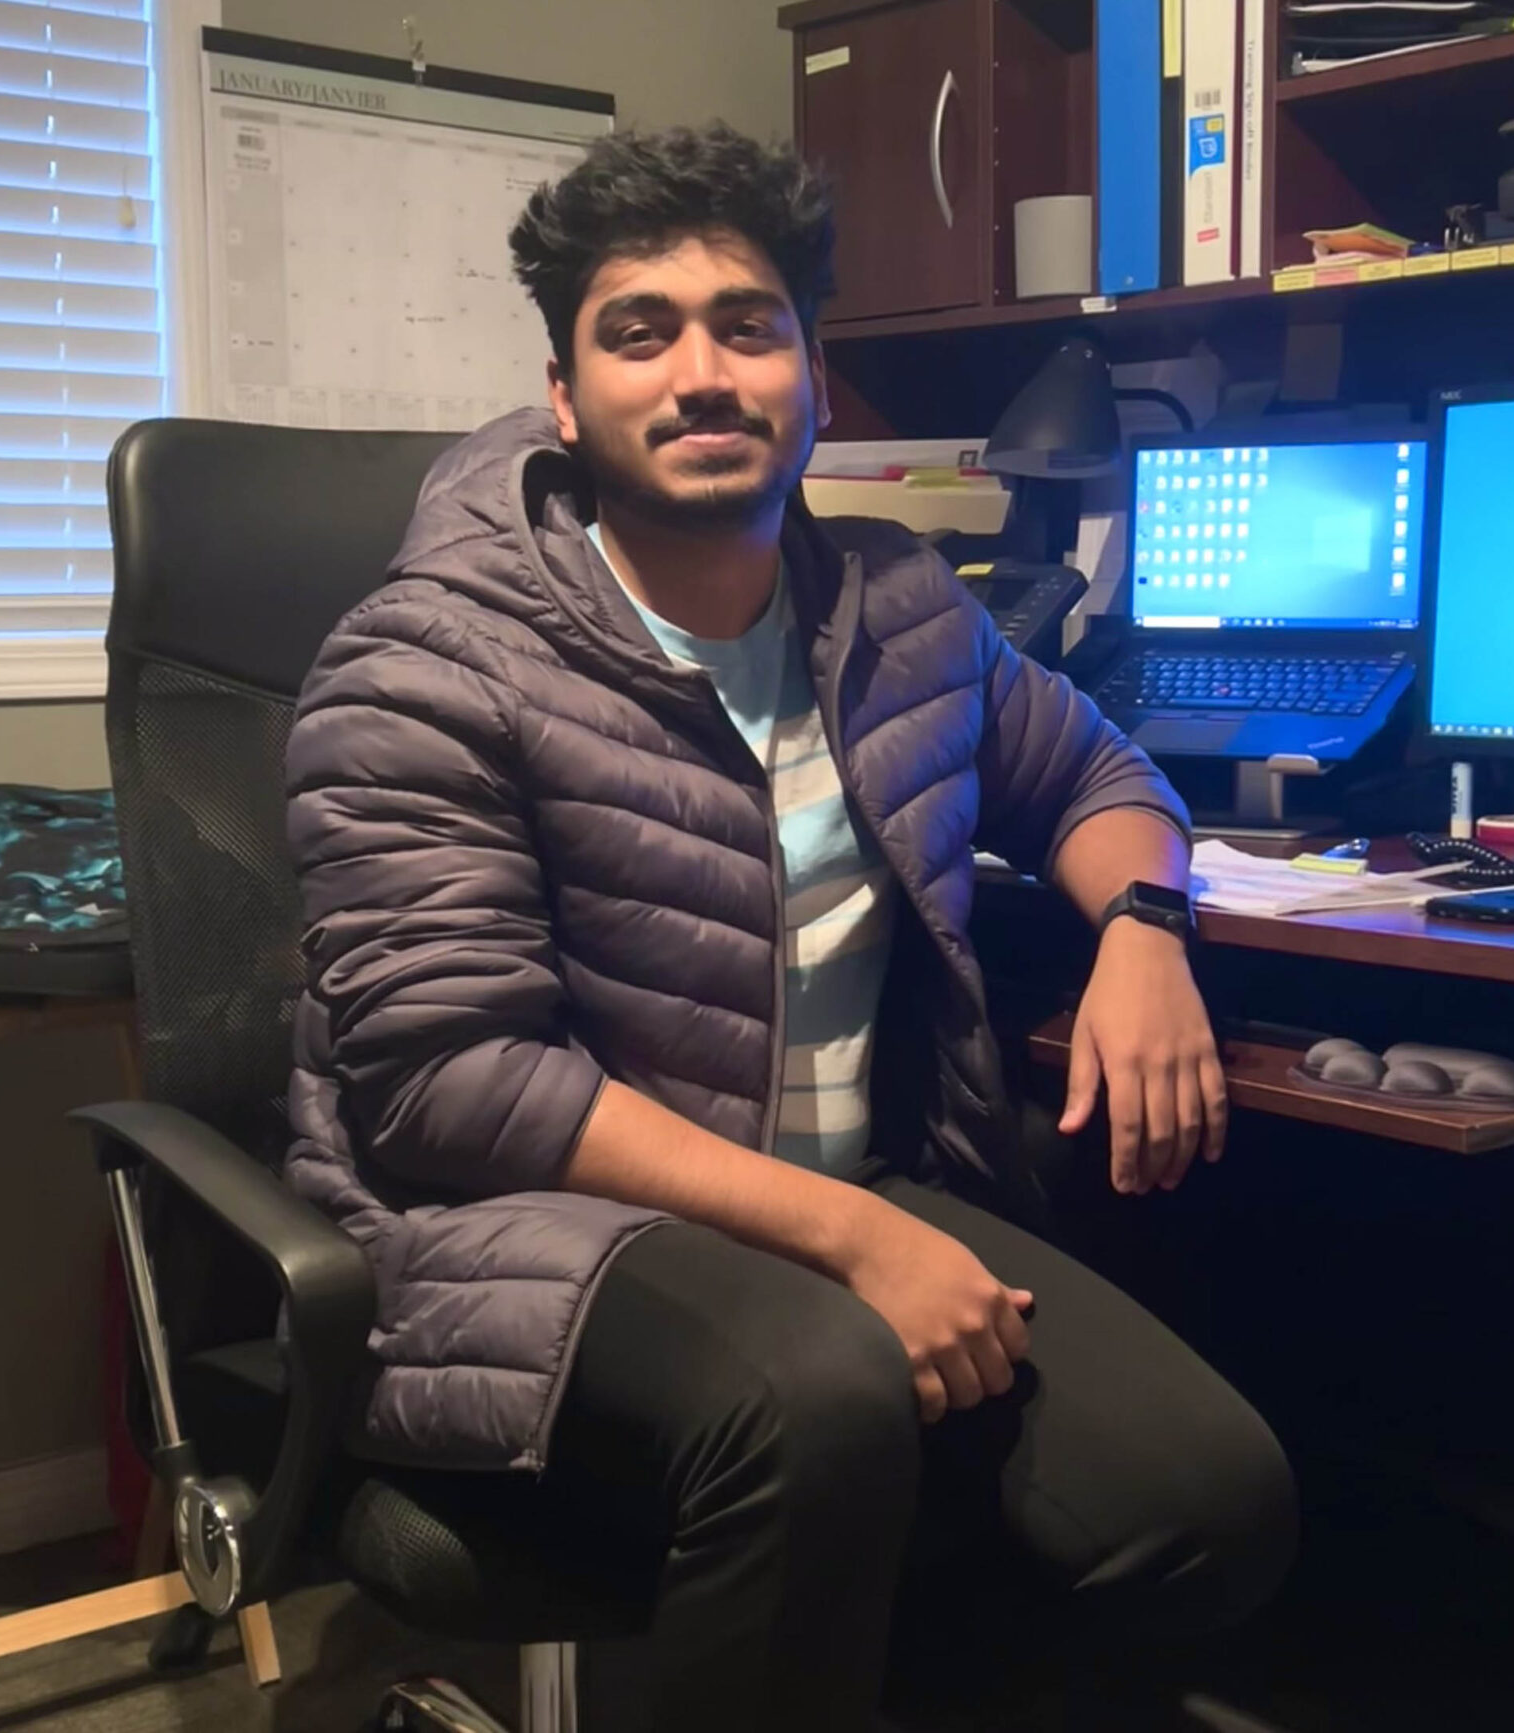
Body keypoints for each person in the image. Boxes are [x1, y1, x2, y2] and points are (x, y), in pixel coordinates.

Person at [283, 123, 1295, 1731]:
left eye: (747, 324)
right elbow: (452, 1082)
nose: (701, 371)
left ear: (813, 371)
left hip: (848, 1186)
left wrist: (1147, 929)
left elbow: (1094, 768)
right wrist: (852, 1237)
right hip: (515, 1229)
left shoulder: (895, 609)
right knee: (820, 1400)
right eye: (640, 330)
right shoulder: (423, 664)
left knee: (1208, 1499)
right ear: (563, 396)